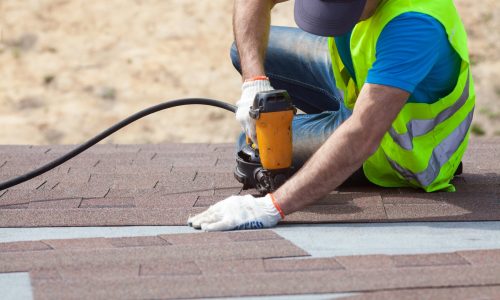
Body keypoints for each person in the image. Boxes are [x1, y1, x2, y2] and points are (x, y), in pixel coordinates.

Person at [188, 0, 475, 231]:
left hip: (396, 146)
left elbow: (362, 133)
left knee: (252, 144)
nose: (333, 20)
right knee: (245, 50)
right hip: (360, 84)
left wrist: (271, 207)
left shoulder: (415, 24)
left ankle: (330, 143)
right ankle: (325, 130)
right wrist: (254, 81)